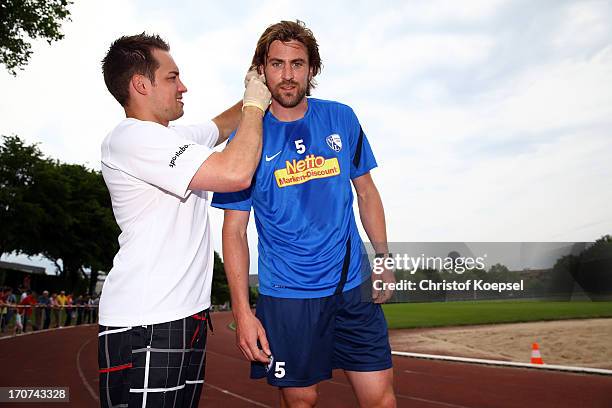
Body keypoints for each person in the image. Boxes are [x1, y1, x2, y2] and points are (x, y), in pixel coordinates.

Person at [212, 20, 396, 408]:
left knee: (380, 399)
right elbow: (234, 231)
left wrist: (384, 259)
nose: (288, 75)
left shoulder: (341, 118)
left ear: (312, 69)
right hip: (288, 297)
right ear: (260, 72)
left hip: (353, 285)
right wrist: (243, 313)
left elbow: (366, 192)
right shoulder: (246, 140)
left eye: (297, 64)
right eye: (277, 64)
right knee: (301, 401)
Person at [98, 33, 270, 408]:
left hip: (182, 317)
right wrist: (256, 106)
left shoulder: (171, 137)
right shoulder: (132, 138)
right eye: (172, 77)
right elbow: (235, 172)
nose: (183, 87)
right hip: (148, 319)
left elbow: (223, 126)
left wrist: (258, 85)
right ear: (141, 85)